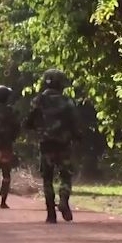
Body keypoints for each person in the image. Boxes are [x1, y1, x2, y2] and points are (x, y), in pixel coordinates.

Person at [23, 69, 80, 224]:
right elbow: (75, 124)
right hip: (64, 144)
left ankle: (50, 214)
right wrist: (77, 136)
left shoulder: (38, 101)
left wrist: (36, 128)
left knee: (47, 178)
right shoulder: (67, 102)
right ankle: (63, 199)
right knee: (66, 176)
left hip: (46, 144)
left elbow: (28, 122)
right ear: (61, 83)